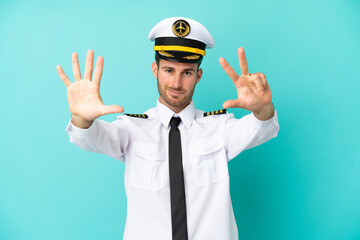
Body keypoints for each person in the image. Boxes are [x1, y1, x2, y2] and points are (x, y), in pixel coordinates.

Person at [56, 17, 279, 240]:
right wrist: (81, 118)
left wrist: (263, 108)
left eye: (187, 72)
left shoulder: (219, 127)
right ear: (155, 69)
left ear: (198, 76)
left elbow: (262, 128)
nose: (176, 83)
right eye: (169, 70)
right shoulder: (131, 129)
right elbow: (88, 137)